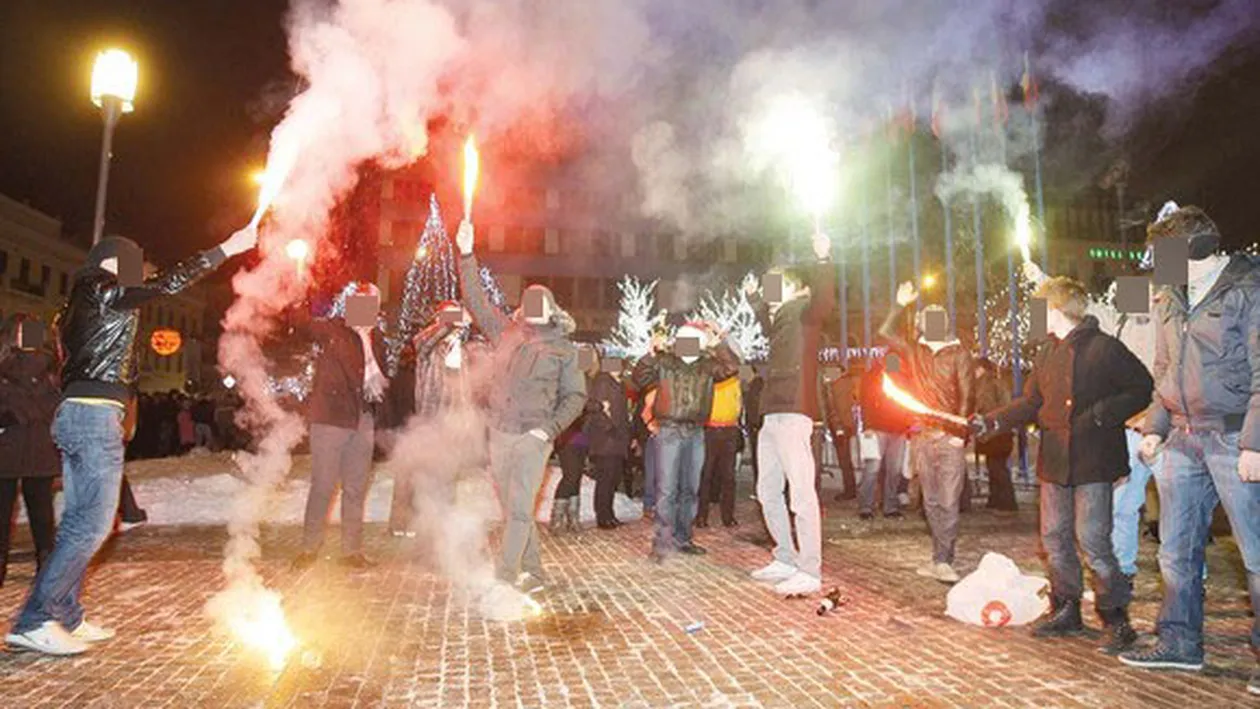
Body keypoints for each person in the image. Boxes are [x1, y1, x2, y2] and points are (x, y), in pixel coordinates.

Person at [4, 227, 257, 656]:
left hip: (86, 414)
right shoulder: (99, 288)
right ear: (113, 264)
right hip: (91, 416)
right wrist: (226, 250)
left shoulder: (89, 301)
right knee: (92, 523)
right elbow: (164, 285)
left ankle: (63, 614)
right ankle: (36, 619)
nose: (139, 274)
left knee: (81, 521)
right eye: (132, 265)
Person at [1117, 206, 1260, 695]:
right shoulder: (1168, 300)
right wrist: (1157, 427)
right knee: (1176, 550)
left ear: (1191, 250)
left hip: (1232, 436)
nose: (1154, 260)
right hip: (1181, 438)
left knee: (1256, 553)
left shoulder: (1247, 288)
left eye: (1163, 251)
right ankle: (1179, 643)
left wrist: (1254, 442)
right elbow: (1164, 371)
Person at [972, 276, 1152, 654]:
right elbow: (1031, 402)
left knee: (1094, 541)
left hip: (1092, 460)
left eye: (1040, 307)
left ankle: (1117, 619)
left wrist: (1103, 414)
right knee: (1054, 538)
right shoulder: (1046, 354)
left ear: (1055, 309)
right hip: (1055, 460)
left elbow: (1141, 386)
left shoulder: (1105, 348)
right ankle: (1066, 608)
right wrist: (993, 421)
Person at [456, 220, 586, 594]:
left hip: (533, 436)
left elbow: (576, 397)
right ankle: (534, 570)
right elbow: (477, 301)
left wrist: (547, 431)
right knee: (516, 508)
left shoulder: (564, 348)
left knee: (517, 509)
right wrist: (466, 254)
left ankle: (505, 577)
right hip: (500, 432)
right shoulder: (507, 333)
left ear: (550, 309)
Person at [745, 232, 835, 596]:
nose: (768, 290)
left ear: (794, 288)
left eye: (772, 285)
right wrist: (753, 299)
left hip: (794, 410)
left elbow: (825, 299)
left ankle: (809, 570)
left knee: (800, 492)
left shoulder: (806, 312)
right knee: (767, 489)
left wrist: (824, 260)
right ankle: (784, 556)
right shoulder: (782, 318)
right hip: (771, 411)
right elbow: (766, 326)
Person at [291, 282, 390, 571]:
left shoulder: (378, 339)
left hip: (363, 419)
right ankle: (309, 548)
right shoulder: (333, 331)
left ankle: (352, 551)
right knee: (322, 485)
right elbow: (302, 324)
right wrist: (299, 282)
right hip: (331, 420)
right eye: (359, 302)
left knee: (356, 488)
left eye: (371, 303)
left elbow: (383, 378)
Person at [879, 283, 973, 583]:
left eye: (938, 317)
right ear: (920, 324)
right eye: (926, 318)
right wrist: (899, 304)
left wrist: (960, 434)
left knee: (948, 500)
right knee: (930, 501)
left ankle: (945, 559)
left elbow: (968, 396)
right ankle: (938, 557)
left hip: (949, 439)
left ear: (945, 323)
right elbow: (885, 332)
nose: (932, 322)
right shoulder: (915, 352)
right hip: (921, 437)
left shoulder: (959, 354)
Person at [633, 322, 739, 563]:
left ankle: (683, 538)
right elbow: (639, 378)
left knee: (690, 489)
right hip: (669, 430)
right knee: (667, 489)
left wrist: (718, 343)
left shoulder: (707, 365)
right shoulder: (665, 362)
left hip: (696, 432)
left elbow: (731, 366)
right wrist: (650, 355)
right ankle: (661, 543)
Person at [383, 301, 484, 537]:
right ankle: (401, 523)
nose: (456, 324)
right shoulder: (427, 345)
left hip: (453, 423)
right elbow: (423, 340)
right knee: (411, 471)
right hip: (428, 419)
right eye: (449, 317)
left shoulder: (462, 350)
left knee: (446, 474)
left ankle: (440, 523)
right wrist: (449, 322)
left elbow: (466, 387)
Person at [0, 314, 61, 588]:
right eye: (24, 331)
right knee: (2, 513)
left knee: (42, 514)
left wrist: (19, 412)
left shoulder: (50, 370)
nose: (28, 337)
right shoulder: (3, 366)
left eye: (33, 331)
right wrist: (10, 416)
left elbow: (54, 406)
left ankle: (46, 566)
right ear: (13, 335)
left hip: (39, 448)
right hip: (7, 447)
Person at [855, 360, 911, 520]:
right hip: (878, 428)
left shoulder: (901, 377)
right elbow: (865, 401)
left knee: (893, 470)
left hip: (897, 429)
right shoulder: (873, 376)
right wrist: (868, 425)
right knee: (873, 468)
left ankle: (888, 506)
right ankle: (867, 506)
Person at [585, 360, 631, 529]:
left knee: (612, 479)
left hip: (617, 440)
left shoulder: (619, 384)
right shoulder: (603, 382)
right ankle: (603, 517)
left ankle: (609, 514)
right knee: (605, 479)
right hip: (606, 440)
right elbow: (597, 412)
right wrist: (610, 428)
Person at [696, 373, 743, 528]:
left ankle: (728, 517)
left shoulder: (735, 381)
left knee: (729, 476)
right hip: (710, 430)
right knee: (706, 474)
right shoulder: (708, 378)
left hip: (730, 430)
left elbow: (738, 404)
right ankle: (701, 516)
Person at [973, 358, 1017, 513]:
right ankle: (997, 499)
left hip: (994, 431)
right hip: (1002, 430)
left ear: (981, 369)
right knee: (996, 466)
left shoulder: (985, 385)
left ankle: (1005, 501)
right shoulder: (999, 382)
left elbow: (983, 406)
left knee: (996, 467)